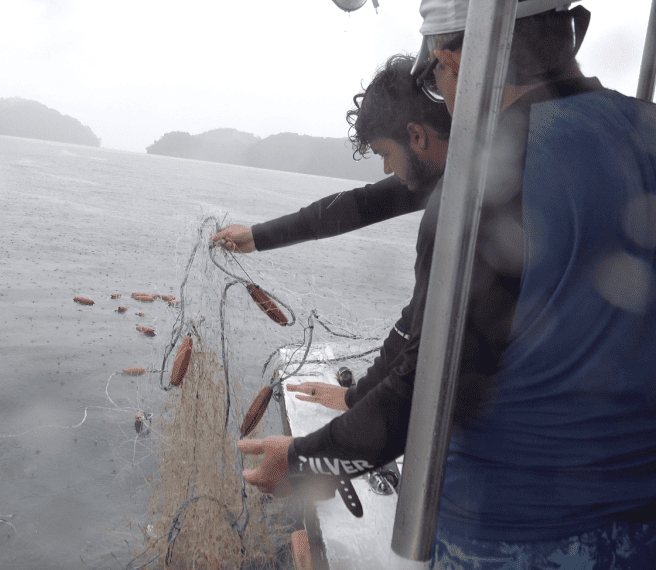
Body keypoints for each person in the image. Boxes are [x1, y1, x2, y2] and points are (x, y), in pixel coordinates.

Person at [240, 1, 656, 567]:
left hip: (516, 530)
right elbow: (372, 203)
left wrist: (302, 459)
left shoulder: (483, 183)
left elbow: (435, 386)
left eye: (434, 75)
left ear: (454, 59)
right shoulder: (642, 130)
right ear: (572, 30)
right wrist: (259, 237)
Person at [212, 53, 450, 414]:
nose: (386, 168)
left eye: (385, 153)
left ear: (415, 135)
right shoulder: (455, 166)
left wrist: (356, 397)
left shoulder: (457, 198)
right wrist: (257, 237)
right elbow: (358, 205)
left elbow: (419, 319)